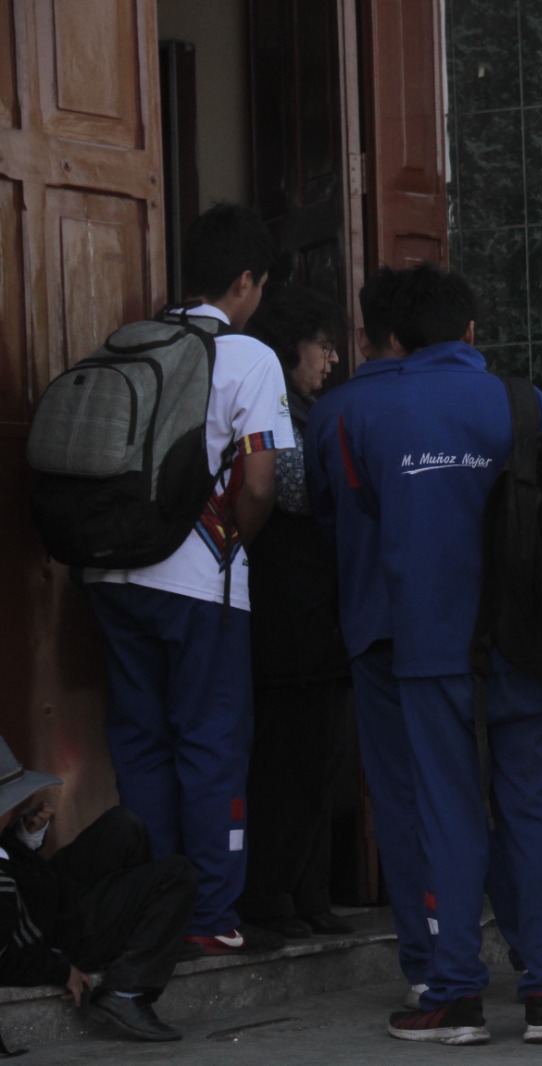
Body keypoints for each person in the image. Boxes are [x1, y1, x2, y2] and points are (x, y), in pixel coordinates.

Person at [330, 263, 542, 1047]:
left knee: (447, 813)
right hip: (526, 642)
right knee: (534, 812)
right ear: (473, 331)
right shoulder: (526, 402)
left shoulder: (357, 412)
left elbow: (358, 504)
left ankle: (456, 992)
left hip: (427, 641)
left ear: (396, 339)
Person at [82, 203, 293, 955]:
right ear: (245, 281)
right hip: (198, 582)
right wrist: (235, 541)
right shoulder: (249, 357)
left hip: (110, 574)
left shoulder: (128, 340)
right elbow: (265, 482)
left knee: (139, 742)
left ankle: (151, 907)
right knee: (210, 743)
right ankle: (206, 916)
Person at [304, 267, 430, 997]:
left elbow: (325, 515)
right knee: (477, 791)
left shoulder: (336, 411)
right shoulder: (484, 400)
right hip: (463, 632)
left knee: (402, 795)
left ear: (364, 336)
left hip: (373, 626)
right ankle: (529, 959)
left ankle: (430, 965)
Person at [238, 286, 354, 938]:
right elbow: (291, 491)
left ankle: (306, 893)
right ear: (291, 348)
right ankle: (272, 896)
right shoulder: (275, 408)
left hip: (316, 616)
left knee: (320, 762)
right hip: (289, 617)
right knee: (290, 761)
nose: (332, 359)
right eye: (322, 346)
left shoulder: (310, 409)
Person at [0, 738, 196, 1041]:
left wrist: (25, 836)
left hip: (48, 898)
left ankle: (144, 937)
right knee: (176, 874)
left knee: (123, 825)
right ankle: (126, 991)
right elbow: (7, 957)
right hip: (57, 938)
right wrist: (60, 970)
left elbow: (11, 864)